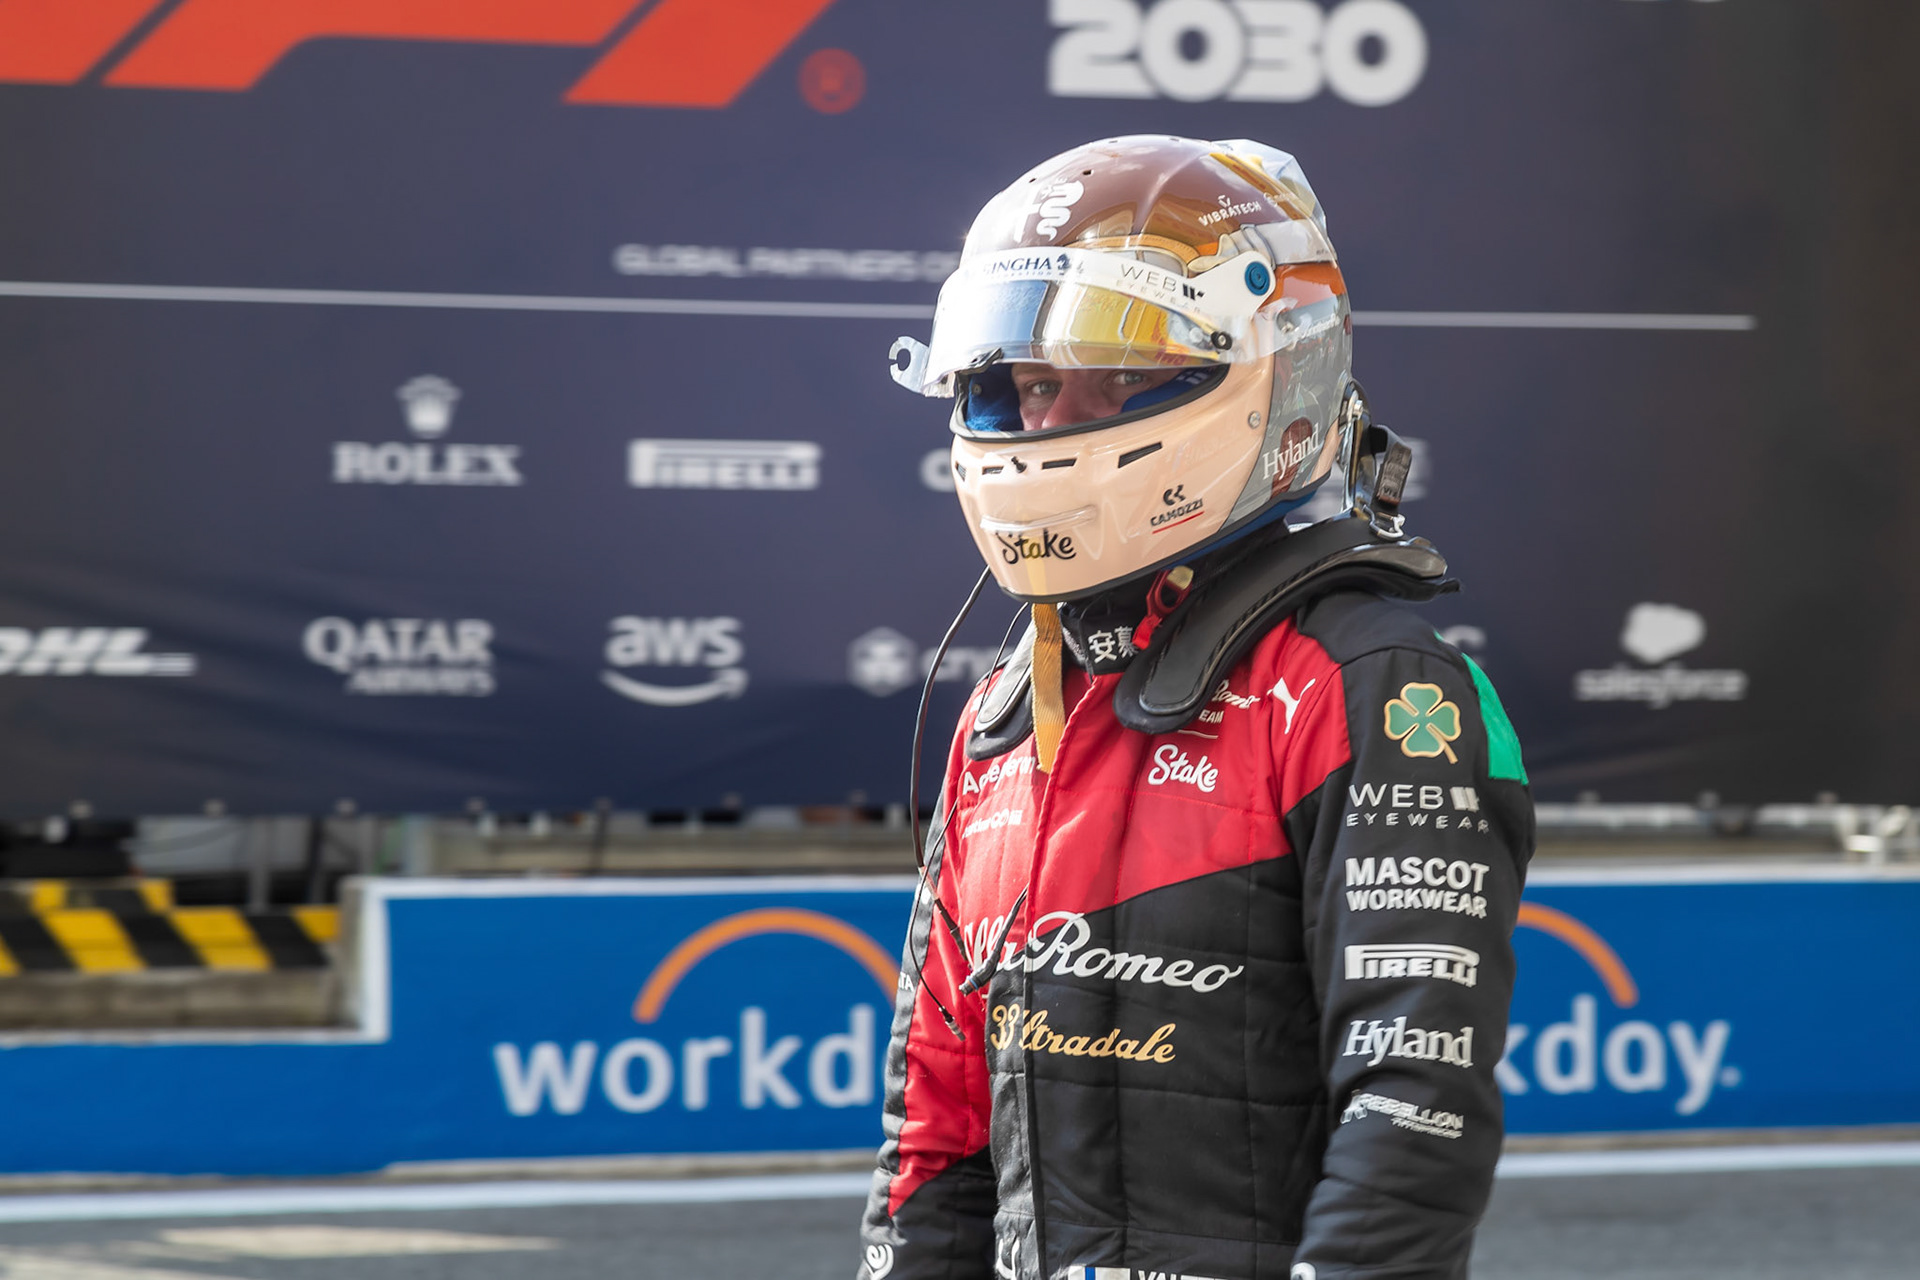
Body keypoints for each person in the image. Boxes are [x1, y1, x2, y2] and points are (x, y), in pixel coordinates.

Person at [861, 135, 1533, 1280]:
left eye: (1112, 377)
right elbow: (936, 1133)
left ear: (1271, 371)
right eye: (1027, 384)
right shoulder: (1006, 710)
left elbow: (1410, 1104)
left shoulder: (1371, 683)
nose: (1045, 424)